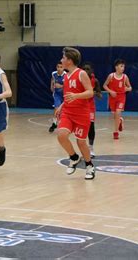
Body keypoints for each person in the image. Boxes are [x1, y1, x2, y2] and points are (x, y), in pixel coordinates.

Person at [56, 47, 95, 180]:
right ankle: (74, 157)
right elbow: (69, 96)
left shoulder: (81, 74)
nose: (61, 60)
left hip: (81, 114)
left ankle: (89, 165)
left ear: (70, 61)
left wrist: (76, 95)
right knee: (61, 135)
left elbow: (90, 92)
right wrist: (61, 106)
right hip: (68, 112)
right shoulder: (66, 76)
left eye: (63, 58)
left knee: (81, 143)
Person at [103, 59, 132, 140]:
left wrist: (127, 89)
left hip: (121, 97)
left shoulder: (125, 77)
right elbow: (104, 85)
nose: (123, 68)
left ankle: (116, 132)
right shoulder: (111, 76)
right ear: (116, 67)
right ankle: (120, 120)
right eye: (121, 66)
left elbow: (130, 87)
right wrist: (110, 91)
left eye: (124, 66)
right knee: (115, 115)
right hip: (113, 97)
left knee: (118, 112)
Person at [82, 62, 102, 158]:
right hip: (80, 105)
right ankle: (82, 147)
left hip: (90, 106)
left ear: (91, 71)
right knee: (81, 127)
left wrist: (93, 93)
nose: (86, 71)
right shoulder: (79, 80)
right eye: (84, 69)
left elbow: (99, 95)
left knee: (91, 126)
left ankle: (91, 148)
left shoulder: (95, 81)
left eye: (88, 69)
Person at [49, 62, 66, 133]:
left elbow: (67, 86)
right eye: (58, 67)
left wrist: (61, 86)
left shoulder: (66, 75)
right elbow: (52, 80)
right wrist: (51, 86)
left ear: (63, 68)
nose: (59, 68)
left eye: (61, 67)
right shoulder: (54, 74)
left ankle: (63, 124)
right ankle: (54, 123)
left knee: (63, 111)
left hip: (64, 95)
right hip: (57, 94)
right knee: (56, 108)